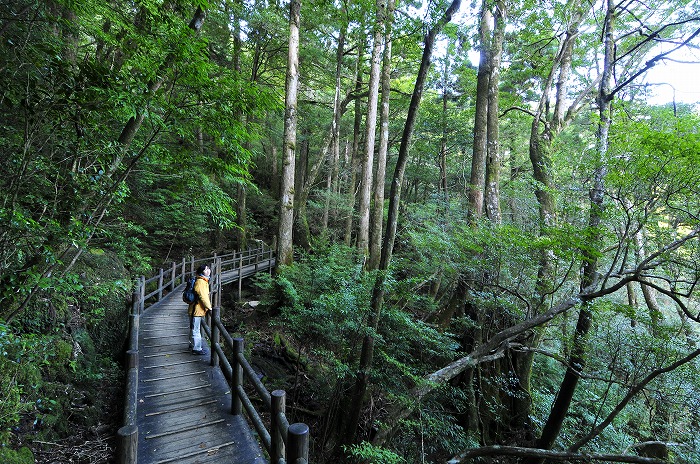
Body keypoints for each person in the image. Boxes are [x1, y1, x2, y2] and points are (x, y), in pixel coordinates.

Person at [188, 264, 212, 355]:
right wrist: (209, 307)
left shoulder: (203, 280)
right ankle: (196, 349)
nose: (208, 271)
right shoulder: (201, 281)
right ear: (202, 272)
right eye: (206, 270)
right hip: (196, 310)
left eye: (208, 269)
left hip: (196, 309)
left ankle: (192, 344)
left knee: (193, 328)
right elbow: (203, 296)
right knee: (196, 329)